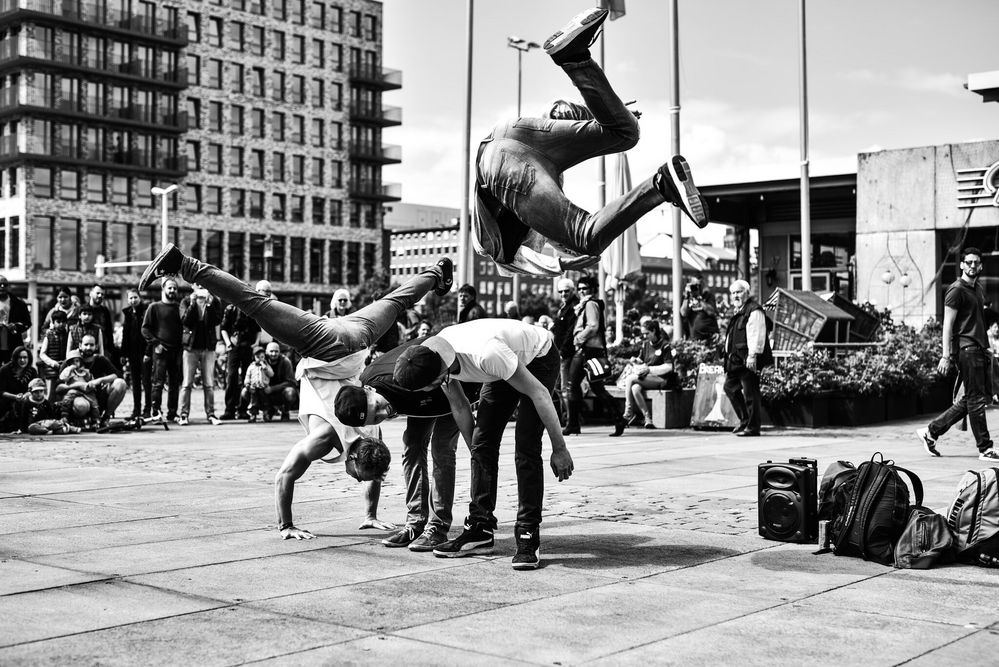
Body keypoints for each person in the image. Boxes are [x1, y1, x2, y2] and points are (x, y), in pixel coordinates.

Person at [137, 243, 454, 538]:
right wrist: (286, 525)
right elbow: (284, 476)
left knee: (395, 301)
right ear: (355, 456)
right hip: (327, 344)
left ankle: (437, 272)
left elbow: (374, 473)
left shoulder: (372, 432)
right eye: (357, 474)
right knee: (255, 303)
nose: (356, 478)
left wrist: (370, 515)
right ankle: (183, 263)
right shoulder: (324, 439)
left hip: (357, 336)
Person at [471, 7, 708, 278]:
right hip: (512, 131)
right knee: (625, 132)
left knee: (586, 237)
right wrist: (608, 110)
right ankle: (575, 58)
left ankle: (660, 186)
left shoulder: (494, 248)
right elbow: (557, 111)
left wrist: (560, 266)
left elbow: (517, 262)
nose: (561, 246)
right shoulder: (547, 193)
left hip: (499, 163)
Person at [391, 318, 574, 570]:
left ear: (438, 374)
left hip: (538, 356)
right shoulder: (436, 355)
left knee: (526, 445)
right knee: (482, 441)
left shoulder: (486, 354)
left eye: (429, 386)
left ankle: (528, 532)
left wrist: (560, 448)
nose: (429, 391)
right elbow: (459, 405)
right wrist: (480, 456)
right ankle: (480, 528)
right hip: (502, 365)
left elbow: (539, 393)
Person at [334, 337, 480, 552]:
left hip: (455, 385)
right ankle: (415, 523)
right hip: (421, 397)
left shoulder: (395, 378)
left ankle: (438, 527)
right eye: (376, 418)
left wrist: (477, 452)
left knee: (442, 448)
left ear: (369, 391)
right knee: (411, 445)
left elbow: (451, 391)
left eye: (378, 408)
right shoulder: (370, 389)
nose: (384, 413)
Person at [917, 247, 999, 461]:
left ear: (981, 266)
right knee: (976, 400)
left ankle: (931, 431)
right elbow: (948, 325)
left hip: (979, 349)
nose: (973, 266)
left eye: (976, 263)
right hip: (967, 349)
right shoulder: (956, 290)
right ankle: (985, 448)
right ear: (962, 264)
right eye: (969, 262)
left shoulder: (977, 289)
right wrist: (946, 355)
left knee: (970, 400)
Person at [564, 275, 625, 437]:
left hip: (586, 350)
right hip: (592, 350)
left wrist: (578, 338)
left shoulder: (590, 304)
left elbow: (593, 326)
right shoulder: (586, 304)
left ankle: (573, 424)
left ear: (593, 290)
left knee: (572, 386)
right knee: (597, 388)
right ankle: (619, 418)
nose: (582, 291)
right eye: (580, 288)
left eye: (586, 288)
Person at [724, 280, 773, 438]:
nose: (735, 296)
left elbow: (757, 334)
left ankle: (753, 428)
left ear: (747, 292)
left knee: (751, 394)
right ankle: (745, 420)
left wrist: (753, 356)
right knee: (730, 388)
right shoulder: (739, 310)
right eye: (733, 293)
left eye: (739, 292)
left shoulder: (754, 310)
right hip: (736, 360)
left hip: (748, 359)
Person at [620, 319, 678, 429]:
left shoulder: (664, 346)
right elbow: (642, 360)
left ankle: (628, 413)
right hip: (647, 377)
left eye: (647, 333)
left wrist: (649, 370)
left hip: (661, 379)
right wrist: (636, 361)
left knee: (630, 379)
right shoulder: (645, 345)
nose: (645, 336)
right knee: (635, 389)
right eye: (643, 334)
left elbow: (669, 367)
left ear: (654, 331)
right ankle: (647, 418)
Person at [179, 286, 224, 426]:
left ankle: (210, 414)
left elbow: (216, 321)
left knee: (209, 384)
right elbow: (185, 321)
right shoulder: (186, 301)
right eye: (198, 285)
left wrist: (209, 305)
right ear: (193, 286)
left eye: (204, 285)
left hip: (208, 347)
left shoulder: (214, 301)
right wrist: (193, 304)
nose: (201, 288)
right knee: (187, 383)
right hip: (191, 348)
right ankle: (183, 414)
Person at [142, 278, 184, 423]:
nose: (172, 291)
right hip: (160, 352)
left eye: (175, 288)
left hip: (177, 351)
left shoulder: (180, 308)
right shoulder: (154, 307)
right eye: (170, 288)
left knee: (174, 384)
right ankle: (156, 412)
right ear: (163, 289)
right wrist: (156, 344)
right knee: (158, 383)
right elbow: (145, 329)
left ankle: (172, 413)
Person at [220, 286, 261, 420]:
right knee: (231, 377)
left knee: (246, 378)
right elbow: (224, 328)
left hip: (246, 347)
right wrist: (228, 343)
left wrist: (255, 343)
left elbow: (258, 328)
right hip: (234, 347)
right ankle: (229, 409)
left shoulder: (251, 309)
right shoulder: (230, 309)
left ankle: (242, 409)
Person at [77, 334, 127, 423]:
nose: (89, 347)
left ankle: (106, 417)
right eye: (86, 344)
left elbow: (118, 374)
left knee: (120, 383)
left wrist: (99, 380)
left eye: (91, 345)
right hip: (79, 399)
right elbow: (59, 385)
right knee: (81, 406)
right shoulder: (73, 359)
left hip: (98, 398)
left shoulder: (100, 359)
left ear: (96, 346)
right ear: (80, 345)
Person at [3, 377, 79, 434]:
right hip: (35, 424)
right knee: (32, 428)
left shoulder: (46, 402)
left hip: (46, 423)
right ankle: (51, 431)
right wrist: (21, 429)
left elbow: (51, 415)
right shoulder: (27, 402)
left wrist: (53, 421)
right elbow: (23, 417)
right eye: (36, 392)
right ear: (31, 392)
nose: (39, 394)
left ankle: (67, 427)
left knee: (54, 423)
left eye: (41, 391)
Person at [551, 278, 580, 424]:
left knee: (564, 388)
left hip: (566, 353)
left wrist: (562, 351)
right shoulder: (565, 307)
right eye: (560, 291)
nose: (563, 294)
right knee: (558, 387)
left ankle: (570, 420)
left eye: (566, 291)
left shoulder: (574, 307)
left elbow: (570, 331)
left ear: (572, 290)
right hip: (560, 352)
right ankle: (565, 418)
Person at [120, 289, 151, 419]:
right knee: (135, 383)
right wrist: (123, 354)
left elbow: (150, 333)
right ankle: (136, 410)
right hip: (132, 353)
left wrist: (148, 352)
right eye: (131, 298)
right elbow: (125, 335)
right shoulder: (127, 313)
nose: (133, 300)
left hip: (144, 352)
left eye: (135, 297)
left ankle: (148, 409)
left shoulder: (146, 311)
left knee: (146, 382)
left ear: (140, 298)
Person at [0, 345, 37, 431]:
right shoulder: (5, 370)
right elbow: (1, 391)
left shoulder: (32, 371)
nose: (22, 360)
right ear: (15, 358)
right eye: (19, 357)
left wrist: (26, 395)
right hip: (7, 399)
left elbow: (35, 388)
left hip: (26, 399)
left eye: (25, 357)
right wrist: (15, 397)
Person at [259, 341, 298, 421]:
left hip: (281, 391)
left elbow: (291, 382)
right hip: (265, 391)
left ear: (279, 352)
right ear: (266, 352)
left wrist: (272, 388)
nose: (273, 354)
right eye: (271, 351)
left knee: (290, 392)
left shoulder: (285, 361)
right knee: (245, 392)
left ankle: (285, 411)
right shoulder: (261, 361)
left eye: (276, 351)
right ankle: (268, 410)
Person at [38, 309, 70, 398]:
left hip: (64, 370)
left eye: (63, 322)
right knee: (50, 395)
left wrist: (64, 363)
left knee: (63, 395)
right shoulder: (49, 335)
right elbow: (42, 354)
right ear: (53, 322)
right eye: (58, 322)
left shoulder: (68, 335)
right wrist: (53, 363)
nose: (61, 324)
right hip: (51, 371)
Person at [0, 275, 30, 365]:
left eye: (5, 284)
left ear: (8, 287)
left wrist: (16, 326)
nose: (2, 286)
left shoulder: (18, 303)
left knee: (12, 375)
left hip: (13, 347)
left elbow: (27, 323)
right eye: (0, 284)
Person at [87, 284, 118, 368]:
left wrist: (111, 351)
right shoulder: (84, 310)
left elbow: (109, 331)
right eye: (98, 293)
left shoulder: (105, 311)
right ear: (90, 293)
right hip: (88, 349)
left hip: (104, 349)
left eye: (102, 294)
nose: (100, 296)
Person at [242, 345, 273, 422]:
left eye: (262, 357)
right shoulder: (251, 366)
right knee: (253, 403)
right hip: (254, 388)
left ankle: (266, 415)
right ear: (254, 357)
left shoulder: (266, 366)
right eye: (257, 357)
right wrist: (247, 384)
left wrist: (265, 368)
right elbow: (248, 375)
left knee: (265, 402)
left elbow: (271, 374)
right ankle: (253, 415)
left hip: (263, 387)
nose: (260, 359)